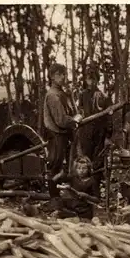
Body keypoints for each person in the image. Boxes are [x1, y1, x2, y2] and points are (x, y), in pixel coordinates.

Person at [43, 63, 83, 198]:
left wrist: (71, 97)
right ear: (52, 77)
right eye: (59, 75)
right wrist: (74, 120)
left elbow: (73, 112)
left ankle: (65, 195)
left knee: (68, 166)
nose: (63, 77)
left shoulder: (62, 94)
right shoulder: (52, 95)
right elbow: (61, 120)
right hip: (56, 135)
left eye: (64, 74)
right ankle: (53, 198)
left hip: (65, 135)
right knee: (55, 165)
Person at [76, 66, 113, 187]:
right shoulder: (82, 95)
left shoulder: (104, 96)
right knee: (85, 160)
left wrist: (108, 135)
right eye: (89, 79)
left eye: (94, 79)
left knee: (98, 160)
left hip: (99, 133)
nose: (91, 82)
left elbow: (109, 118)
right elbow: (79, 112)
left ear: (97, 80)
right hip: (85, 133)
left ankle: (95, 187)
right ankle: (85, 187)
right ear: (86, 80)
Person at [55, 155, 100, 220]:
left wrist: (87, 196)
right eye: (79, 168)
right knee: (57, 202)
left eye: (84, 168)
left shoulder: (92, 181)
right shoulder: (73, 178)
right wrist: (61, 174)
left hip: (84, 209)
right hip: (73, 206)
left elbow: (97, 200)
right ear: (76, 169)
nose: (81, 171)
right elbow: (60, 180)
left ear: (89, 169)